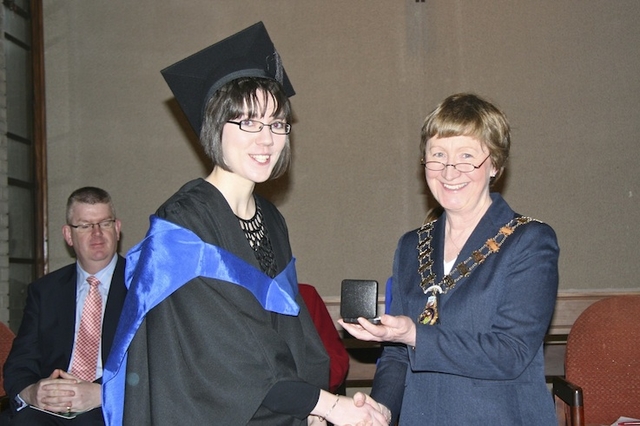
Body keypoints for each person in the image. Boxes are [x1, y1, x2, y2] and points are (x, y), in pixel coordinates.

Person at [102, 22, 389, 426]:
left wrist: (310, 404)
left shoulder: (271, 220)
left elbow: (292, 332)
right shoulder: (183, 224)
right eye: (248, 123)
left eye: (276, 124)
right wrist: (324, 404)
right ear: (215, 128)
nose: (266, 139)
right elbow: (223, 355)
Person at [340, 93, 559, 425]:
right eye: (438, 155)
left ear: (495, 165)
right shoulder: (412, 245)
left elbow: (510, 354)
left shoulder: (529, 241)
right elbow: (397, 353)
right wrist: (382, 407)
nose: (449, 171)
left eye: (467, 156)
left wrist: (415, 334)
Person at [3, 187, 127, 425]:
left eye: (105, 223)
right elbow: (21, 362)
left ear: (118, 229)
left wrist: (102, 394)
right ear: (68, 235)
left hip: (113, 409)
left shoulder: (143, 287)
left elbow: (157, 364)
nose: (97, 233)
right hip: (50, 412)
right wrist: (31, 392)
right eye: (85, 226)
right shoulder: (44, 291)